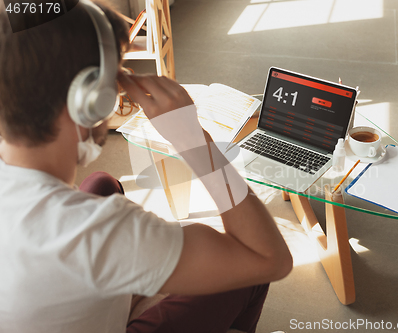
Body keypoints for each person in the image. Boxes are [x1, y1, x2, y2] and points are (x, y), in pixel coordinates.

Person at [0, 1, 293, 332]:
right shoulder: (97, 229)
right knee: (246, 276)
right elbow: (272, 259)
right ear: (90, 101)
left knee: (101, 184)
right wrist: (195, 141)